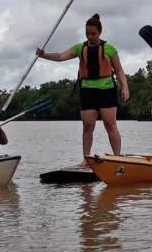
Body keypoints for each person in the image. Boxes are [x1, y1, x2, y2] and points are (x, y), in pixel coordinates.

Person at [36, 13, 130, 158]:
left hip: (107, 90)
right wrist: (44, 55)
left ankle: (117, 156)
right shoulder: (80, 48)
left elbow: (119, 70)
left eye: (93, 34)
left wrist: (125, 87)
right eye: (87, 33)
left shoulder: (109, 48)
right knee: (87, 126)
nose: (90, 37)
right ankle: (86, 159)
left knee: (110, 125)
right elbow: (60, 57)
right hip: (87, 90)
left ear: (99, 32)